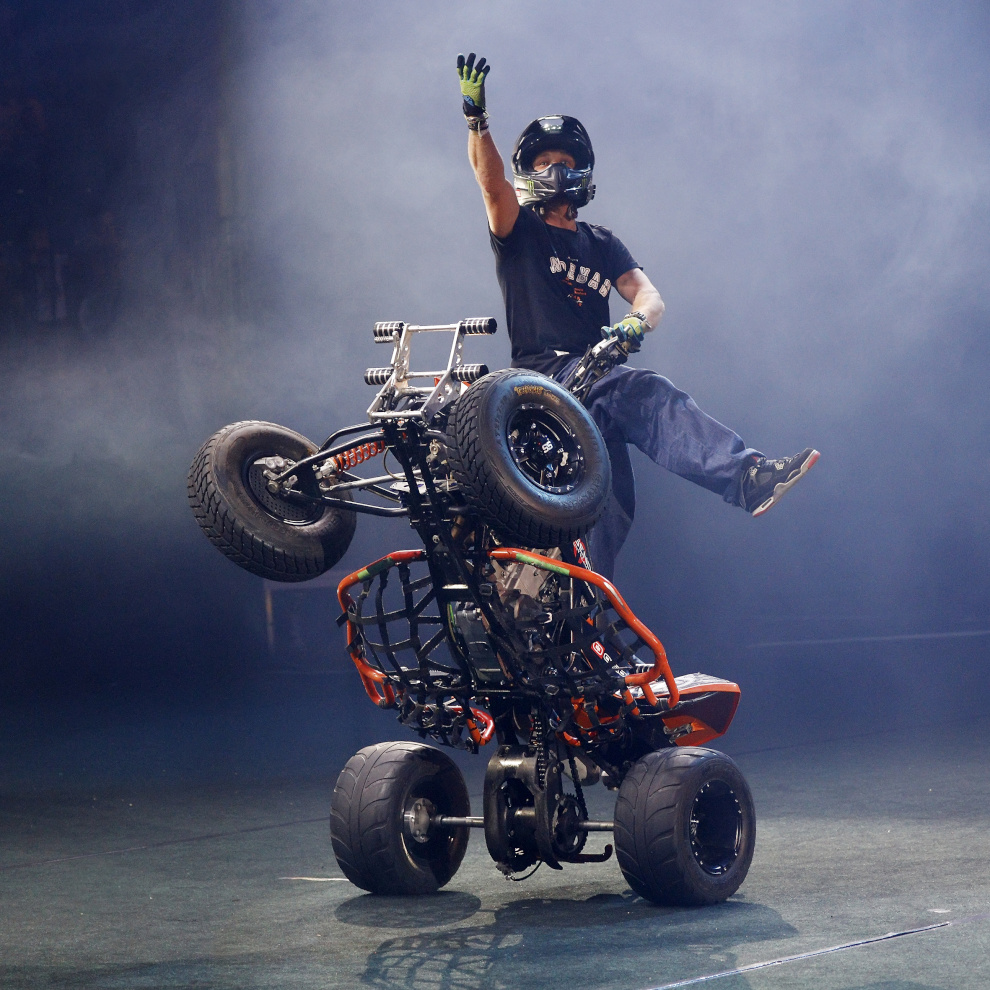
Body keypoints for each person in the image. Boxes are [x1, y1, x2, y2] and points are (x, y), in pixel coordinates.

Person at [456, 53, 819, 579]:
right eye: (543, 161)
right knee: (644, 391)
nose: (555, 170)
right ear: (527, 173)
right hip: (542, 379)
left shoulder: (601, 242)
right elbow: (491, 186)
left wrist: (635, 322)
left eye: (565, 160)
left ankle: (572, 616)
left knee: (608, 506)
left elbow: (649, 296)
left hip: (594, 379)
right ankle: (746, 477)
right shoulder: (521, 231)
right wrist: (477, 123)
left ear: (582, 171)